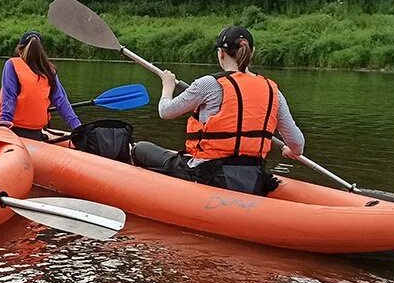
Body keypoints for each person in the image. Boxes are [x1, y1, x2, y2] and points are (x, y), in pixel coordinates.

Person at [131, 25, 305, 195]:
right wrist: (291, 151)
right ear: (252, 52)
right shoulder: (273, 90)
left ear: (221, 53)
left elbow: (165, 111)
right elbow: (298, 143)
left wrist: (167, 86)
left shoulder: (208, 84)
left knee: (141, 149)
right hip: (252, 176)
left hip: (206, 174)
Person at [0, 30, 83, 140]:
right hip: (36, 132)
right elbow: (61, 101)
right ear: (41, 51)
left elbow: (9, 97)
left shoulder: (12, 65)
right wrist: (78, 127)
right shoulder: (49, 70)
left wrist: (5, 123)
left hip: (13, 130)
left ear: (20, 50)